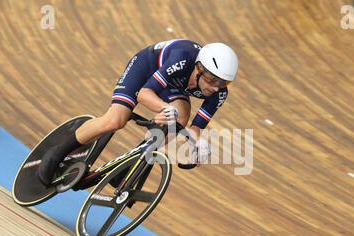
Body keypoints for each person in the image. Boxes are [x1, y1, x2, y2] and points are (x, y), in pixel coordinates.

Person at [37, 39, 239, 185]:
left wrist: (198, 145)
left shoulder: (218, 93)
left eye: (223, 83)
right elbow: (144, 94)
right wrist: (164, 108)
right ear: (199, 68)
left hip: (173, 85)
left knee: (181, 119)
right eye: (213, 80)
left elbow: (195, 128)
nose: (216, 87)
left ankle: (131, 163)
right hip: (148, 66)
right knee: (116, 120)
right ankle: (57, 152)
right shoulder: (182, 58)